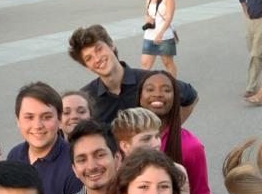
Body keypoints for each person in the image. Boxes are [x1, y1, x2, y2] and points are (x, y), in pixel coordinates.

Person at [68, 24, 199, 123]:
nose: (97, 59)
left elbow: (191, 96)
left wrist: (169, 133)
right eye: (89, 58)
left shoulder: (149, 80)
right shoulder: (86, 98)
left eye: (99, 49)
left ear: (111, 45)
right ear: (87, 66)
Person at [7, 82, 82, 194]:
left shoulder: (74, 164)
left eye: (46, 117)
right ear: (18, 121)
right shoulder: (15, 155)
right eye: (29, 117)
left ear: (60, 120)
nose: (37, 125)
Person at [111, 106, 190, 194]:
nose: (156, 143)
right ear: (125, 146)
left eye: (157, 136)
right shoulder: (114, 176)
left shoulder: (177, 172)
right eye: (146, 139)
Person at [140, 0, 178, 76]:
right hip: (149, 35)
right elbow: (147, 12)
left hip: (164, 37)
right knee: (145, 64)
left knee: (167, 63)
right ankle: (143, 86)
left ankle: (173, 84)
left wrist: (161, 33)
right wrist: (147, 18)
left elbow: (169, 17)